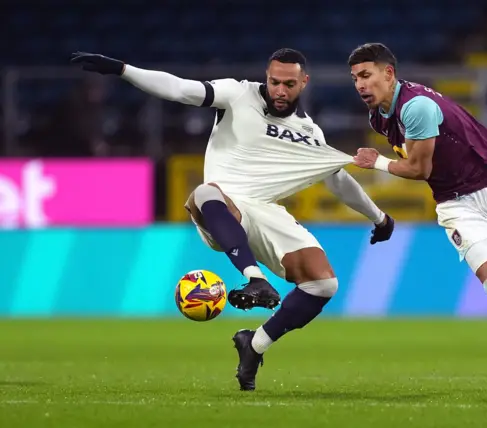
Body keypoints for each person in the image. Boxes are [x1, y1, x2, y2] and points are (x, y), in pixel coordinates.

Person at [71, 48, 395, 391]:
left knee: (323, 284)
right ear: (266, 77)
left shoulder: (308, 132)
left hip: (265, 210)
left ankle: (254, 345)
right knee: (204, 192)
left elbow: (337, 179)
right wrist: (123, 69)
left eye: (289, 84)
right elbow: (180, 89)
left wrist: (379, 217)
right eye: (274, 82)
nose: (280, 91)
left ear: (304, 82)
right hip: (222, 206)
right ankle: (253, 277)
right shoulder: (237, 93)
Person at [348, 43, 487, 395]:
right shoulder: (379, 117)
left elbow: (419, 167)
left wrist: (375, 162)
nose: (360, 85)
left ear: (388, 73)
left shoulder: (417, 107)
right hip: (456, 204)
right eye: (355, 79)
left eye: (366, 75)